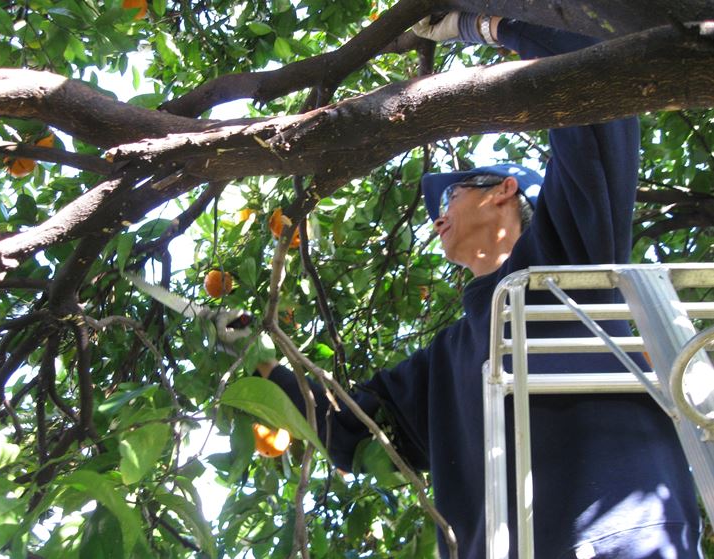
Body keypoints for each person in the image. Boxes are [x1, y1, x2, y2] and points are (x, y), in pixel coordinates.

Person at [239, 14, 704, 559]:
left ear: (505, 190)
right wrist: (262, 366)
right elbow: (360, 429)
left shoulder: (571, 246)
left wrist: (481, 22)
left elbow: (591, 64)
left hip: (621, 541)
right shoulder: (446, 359)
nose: (436, 219)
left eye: (450, 197)